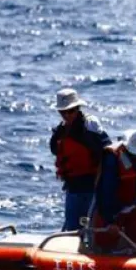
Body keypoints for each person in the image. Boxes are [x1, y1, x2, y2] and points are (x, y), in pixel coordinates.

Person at [50, 88, 111, 231]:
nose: (66, 115)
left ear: (78, 108)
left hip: (92, 186)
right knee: (72, 227)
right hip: (73, 187)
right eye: (62, 112)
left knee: (91, 227)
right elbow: (54, 149)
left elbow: (107, 150)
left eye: (70, 111)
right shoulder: (61, 131)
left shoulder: (90, 125)